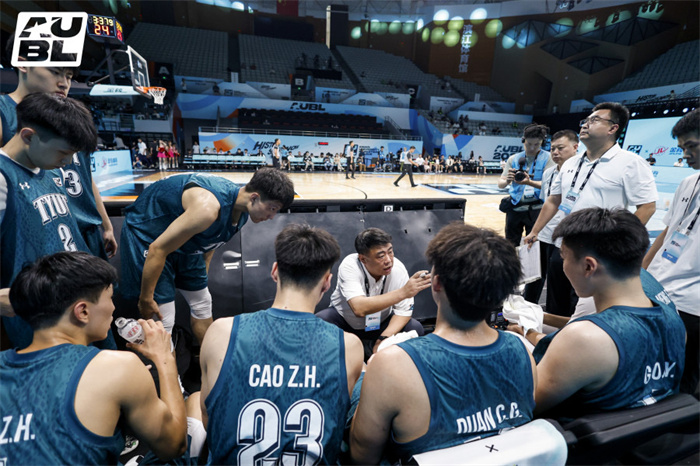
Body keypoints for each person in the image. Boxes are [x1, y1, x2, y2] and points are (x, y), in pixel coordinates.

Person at [349, 223, 536, 464]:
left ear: (436, 283)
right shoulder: (522, 349)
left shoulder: (392, 363)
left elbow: (362, 457)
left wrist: (364, 378)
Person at [0, 252, 187, 464]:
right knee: (193, 415)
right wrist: (165, 358)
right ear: (83, 312)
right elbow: (174, 445)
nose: (114, 308)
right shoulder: (118, 367)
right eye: (110, 298)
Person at [200, 224, 364, 464]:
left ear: (275, 271)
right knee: (363, 379)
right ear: (327, 283)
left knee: (196, 399)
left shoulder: (222, 332)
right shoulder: (349, 346)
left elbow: (209, 421)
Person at [521, 208, 685, 416]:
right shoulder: (675, 320)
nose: (563, 266)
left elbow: (521, 405)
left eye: (564, 257)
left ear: (588, 267)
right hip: (651, 431)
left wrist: (517, 347)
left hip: (581, 434)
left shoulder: (584, 337)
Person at [119, 168, 294, 345]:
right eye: (272, 208)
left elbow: (211, 240)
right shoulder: (207, 209)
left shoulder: (240, 211)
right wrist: (146, 299)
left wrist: (202, 275)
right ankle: (165, 363)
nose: (272, 216)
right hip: (148, 235)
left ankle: (211, 359)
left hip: (182, 237)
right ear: (254, 197)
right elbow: (157, 250)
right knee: (164, 319)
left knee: (202, 303)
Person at [0, 39, 117, 262]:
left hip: (82, 230)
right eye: (55, 72)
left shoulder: (70, 116)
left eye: (69, 76)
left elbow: (85, 177)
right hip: (41, 233)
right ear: (23, 64)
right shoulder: (4, 111)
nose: (64, 83)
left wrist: (106, 223)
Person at [0, 94, 97, 349]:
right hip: (40, 318)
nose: (68, 162)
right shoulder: (3, 179)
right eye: (64, 152)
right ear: (28, 136)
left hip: (74, 301)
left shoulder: (51, 170)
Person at [524, 103, 657, 249]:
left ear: (612, 128)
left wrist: (619, 240)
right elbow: (553, 201)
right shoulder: (571, 163)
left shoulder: (632, 163)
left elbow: (647, 207)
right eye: (585, 121)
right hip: (564, 243)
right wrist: (535, 231)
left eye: (594, 120)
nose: (585, 125)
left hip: (600, 249)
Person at [644, 108, 700, 395]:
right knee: (652, 369)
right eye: (682, 148)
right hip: (658, 290)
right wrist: (641, 272)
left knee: (684, 382)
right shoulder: (688, 182)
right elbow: (668, 232)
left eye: (692, 146)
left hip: (692, 305)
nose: (685, 155)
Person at [316, 228, 430, 359]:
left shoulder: (398, 268)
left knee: (414, 327)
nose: (388, 260)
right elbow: (359, 308)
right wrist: (403, 292)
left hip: (380, 323)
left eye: (390, 252)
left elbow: (403, 312)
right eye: (381, 256)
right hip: (345, 321)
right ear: (363, 259)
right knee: (321, 321)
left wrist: (384, 338)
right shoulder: (350, 265)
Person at [523, 130, 579, 314]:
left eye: (560, 148)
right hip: (545, 233)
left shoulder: (581, 172)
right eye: (553, 148)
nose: (555, 152)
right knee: (534, 277)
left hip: (565, 235)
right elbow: (549, 201)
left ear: (575, 147)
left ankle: (558, 317)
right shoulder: (549, 173)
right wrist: (535, 231)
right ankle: (526, 310)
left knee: (561, 281)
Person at [498, 124, 554, 247]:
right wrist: (507, 180)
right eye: (529, 144)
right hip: (515, 208)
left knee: (533, 246)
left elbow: (549, 186)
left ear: (542, 142)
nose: (532, 148)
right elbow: (500, 184)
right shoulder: (513, 158)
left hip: (537, 210)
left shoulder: (549, 158)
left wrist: (529, 182)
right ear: (523, 140)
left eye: (537, 144)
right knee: (510, 244)